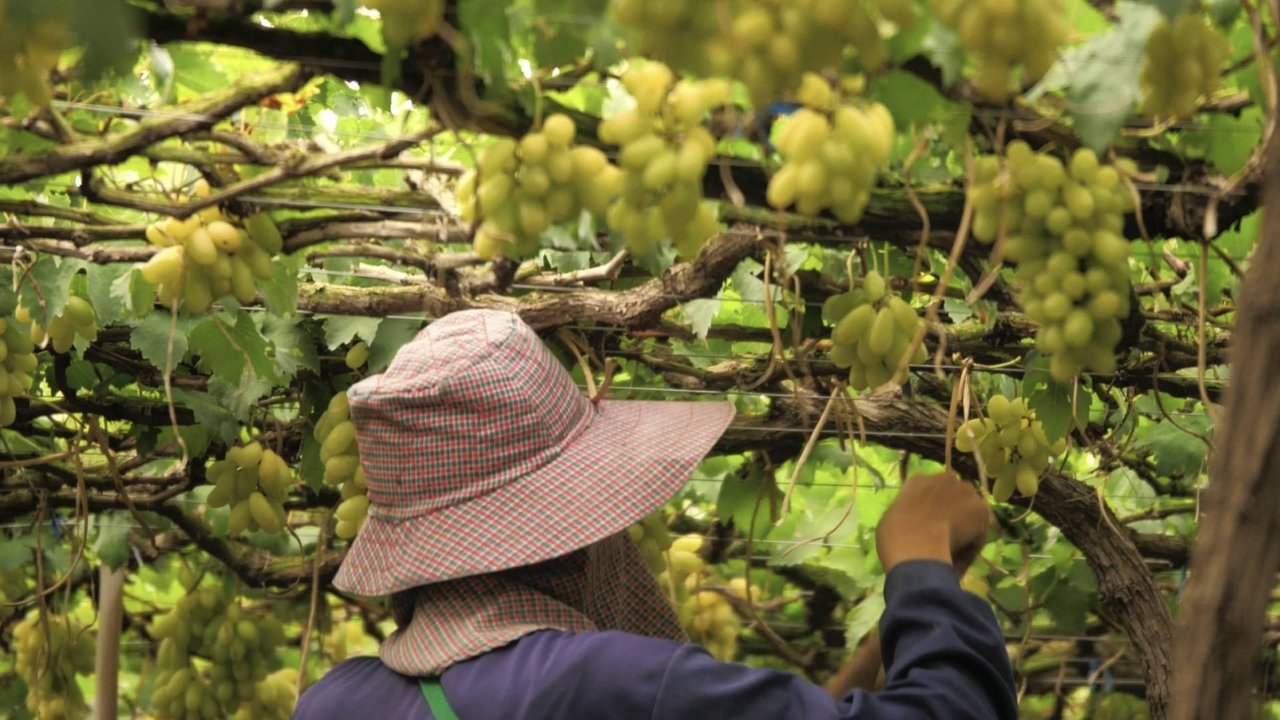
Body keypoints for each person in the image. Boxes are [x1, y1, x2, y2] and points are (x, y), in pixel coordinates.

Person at [293, 309, 1017, 720]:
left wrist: (875, 659)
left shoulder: (335, 704)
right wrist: (920, 564)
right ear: (576, 531)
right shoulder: (611, 684)